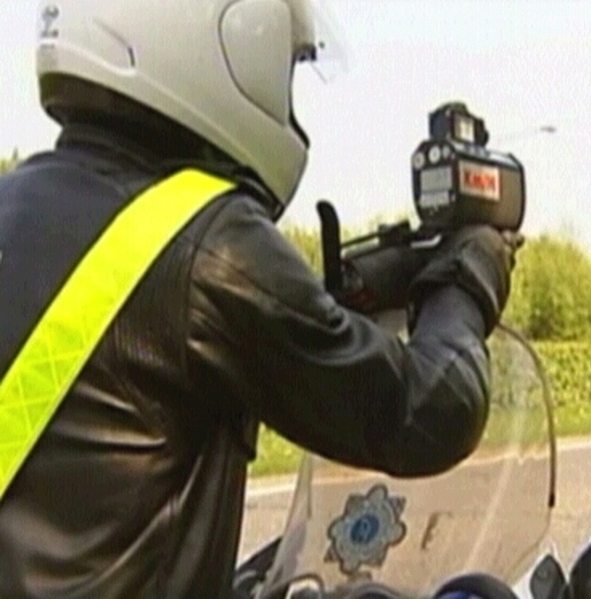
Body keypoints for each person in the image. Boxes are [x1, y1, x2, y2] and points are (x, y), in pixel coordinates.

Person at [0, 1, 521, 597]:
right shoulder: (208, 242)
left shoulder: (18, 206)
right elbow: (426, 411)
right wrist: (470, 273)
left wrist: (383, 274)